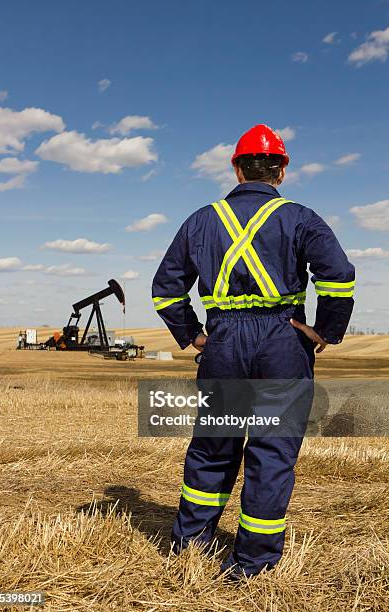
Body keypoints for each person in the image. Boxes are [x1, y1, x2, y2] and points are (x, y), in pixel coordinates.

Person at [151, 124, 355, 578]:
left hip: (223, 343)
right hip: (282, 341)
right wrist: (324, 331)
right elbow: (339, 278)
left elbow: (166, 290)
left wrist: (195, 335)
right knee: (272, 451)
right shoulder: (301, 218)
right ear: (280, 171)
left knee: (213, 447)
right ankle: (253, 562)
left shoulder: (201, 220)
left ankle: (190, 541)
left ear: (237, 168)